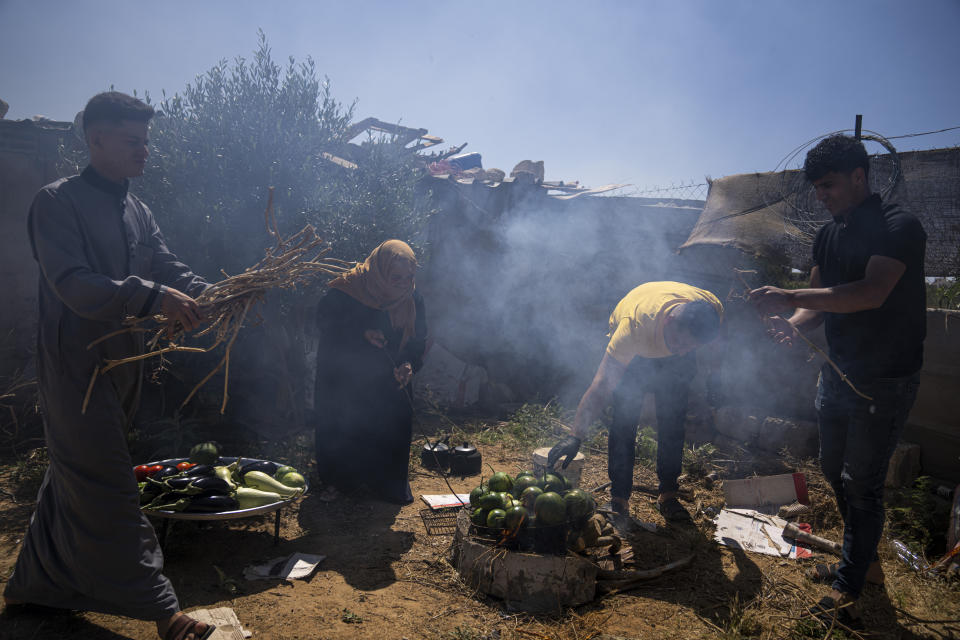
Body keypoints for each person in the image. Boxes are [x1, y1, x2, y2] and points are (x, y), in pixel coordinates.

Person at [2, 92, 214, 640]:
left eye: (146, 142)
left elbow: (166, 263)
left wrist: (209, 292)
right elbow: (71, 283)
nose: (144, 152)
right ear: (95, 139)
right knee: (108, 481)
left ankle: (36, 589)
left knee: (76, 473)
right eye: (132, 141)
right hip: (77, 369)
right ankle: (163, 611)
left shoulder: (137, 209)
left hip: (124, 367)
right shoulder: (56, 202)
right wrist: (153, 296)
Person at [749, 134, 926, 629]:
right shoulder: (827, 235)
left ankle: (847, 589)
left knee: (862, 483)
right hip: (837, 373)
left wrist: (786, 297)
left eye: (828, 185)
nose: (821, 196)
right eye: (816, 188)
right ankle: (864, 565)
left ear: (858, 176)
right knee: (832, 469)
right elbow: (815, 300)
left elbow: (871, 292)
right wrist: (795, 320)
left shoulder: (899, 226)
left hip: (884, 379)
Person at [547, 281, 723, 520]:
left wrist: (714, 375)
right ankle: (619, 498)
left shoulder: (710, 309)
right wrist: (574, 436)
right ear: (669, 321)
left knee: (672, 421)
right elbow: (601, 385)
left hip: (667, 336)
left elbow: (710, 344)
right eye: (681, 343)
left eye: (691, 347)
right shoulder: (634, 330)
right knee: (624, 421)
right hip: (639, 353)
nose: (682, 351)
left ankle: (668, 495)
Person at [313, 239, 427, 504]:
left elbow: (418, 340)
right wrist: (361, 332)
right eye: (395, 277)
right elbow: (324, 320)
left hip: (391, 378)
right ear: (381, 270)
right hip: (345, 377)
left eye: (408, 276)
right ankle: (339, 482)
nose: (402, 283)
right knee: (343, 425)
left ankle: (386, 484)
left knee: (390, 426)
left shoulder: (412, 297)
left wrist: (408, 364)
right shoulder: (348, 289)